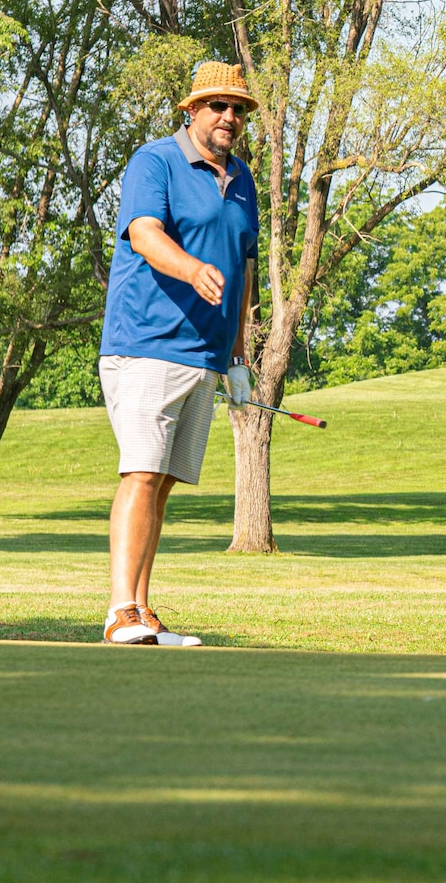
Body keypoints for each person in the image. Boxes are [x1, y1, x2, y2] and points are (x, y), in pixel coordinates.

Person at [97, 62, 261, 645]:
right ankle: (120, 610)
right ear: (191, 111)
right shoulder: (156, 161)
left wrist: (239, 357)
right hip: (147, 343)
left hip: (206, 355)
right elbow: (144, 233)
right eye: (218, 106)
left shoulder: (243, 180)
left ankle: (142, 610)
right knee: (141, 473)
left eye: (238, 109)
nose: (230, 117)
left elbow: (242, 271)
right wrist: (192, 269)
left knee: (162, 481)